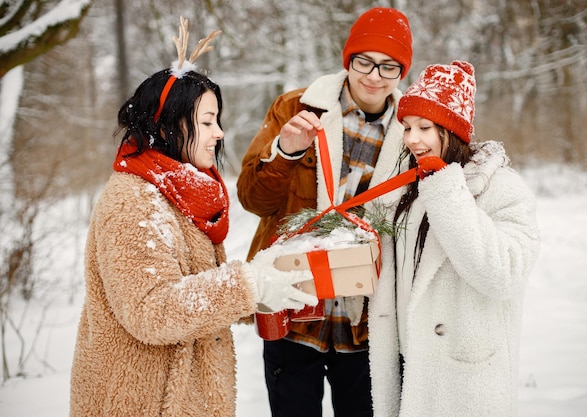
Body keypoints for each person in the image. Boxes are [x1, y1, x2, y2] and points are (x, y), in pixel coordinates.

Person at [69, 18, 317, 417]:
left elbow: (196, 294)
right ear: (166, 124)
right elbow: (152, 310)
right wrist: (246, 285)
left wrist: (261, 289)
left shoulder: (183, 192)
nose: (219, 133)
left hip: (188, 399)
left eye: (217, 120)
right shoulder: (135, 200)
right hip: (142, 403)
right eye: (206, 122)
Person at [236, 7, 413, 417]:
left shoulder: (410, 130)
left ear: (401, 72)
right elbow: (253, 200)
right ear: (347, 59)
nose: (374, 76)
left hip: (368, 323)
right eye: (364, 61)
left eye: (389, 66)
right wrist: (287, 151)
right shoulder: (298, 107)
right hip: (295, 312)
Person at [367, 60, 541, 416]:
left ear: (452, 130)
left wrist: (448, 193)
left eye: (425, 127)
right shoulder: (409, 190)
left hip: (464, 380)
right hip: (409, 367)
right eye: (408, 127)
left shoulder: (502, 189)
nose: (413, 138)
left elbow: (502, 274)